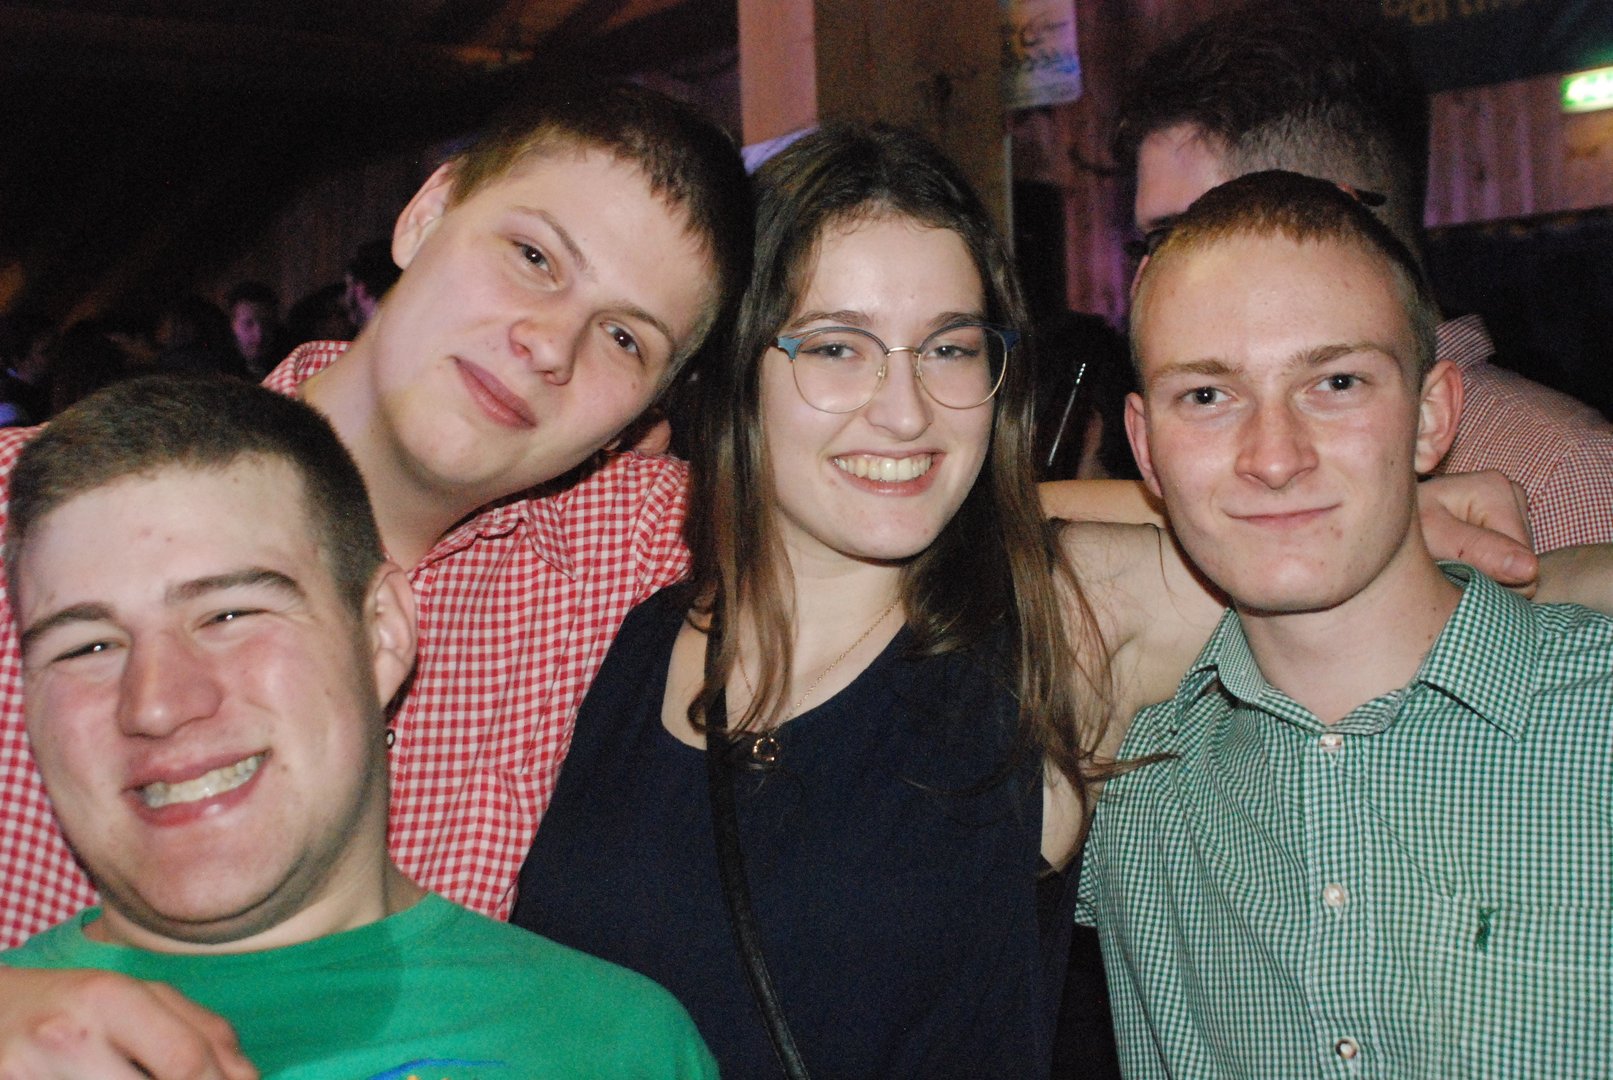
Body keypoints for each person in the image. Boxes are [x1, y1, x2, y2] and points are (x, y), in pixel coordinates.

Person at [508, 125, 1599, 1078]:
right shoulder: (615, 616)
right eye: (836, 347)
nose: (903, 410)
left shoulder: (1064, 619)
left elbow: (1346, 579)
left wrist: (1438, 515)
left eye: (949, 348)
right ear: (735, 367)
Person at [0, 79, 751, 1058]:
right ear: (426, 215)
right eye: (532, 257)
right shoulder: (29, 514)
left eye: (623, 338)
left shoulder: (634, 548)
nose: (548, 345)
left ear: (645, 408)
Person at [0, 376, 717, 1078]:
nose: (155, 704)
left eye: (228, 615)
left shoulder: (610, 1043)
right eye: (86, 647)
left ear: (381, 634)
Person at [1080, 170, 1613, 1077]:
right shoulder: (1128, 783)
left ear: (1431, 416)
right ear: (1144, 448)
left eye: (1334, 382)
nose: (1273, 457)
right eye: (1206, 396)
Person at [1101, 0, 1613, 552]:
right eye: (1152, 243)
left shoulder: (1561, 477)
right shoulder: (1204, 474)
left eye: (1186, 234)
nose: (1149, 275)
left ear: (1337, 216)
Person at [225, 282, 284, 378]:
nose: (259, 334)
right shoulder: (217, 372)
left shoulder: (291, 366)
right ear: (231, 325)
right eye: (248, 324)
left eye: (267, 324)